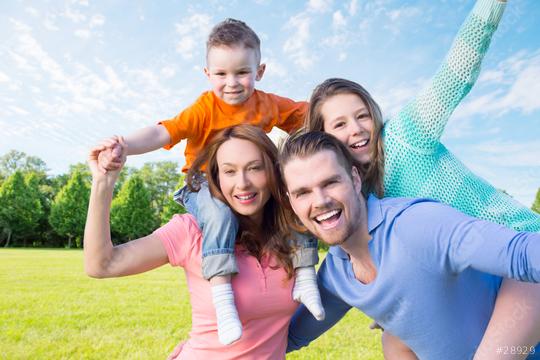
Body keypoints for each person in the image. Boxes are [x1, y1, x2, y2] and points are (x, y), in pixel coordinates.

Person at [304, 0, 540, 357]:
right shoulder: (355, 198)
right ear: (324, 139)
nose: (357, 129)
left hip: (520, 254)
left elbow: (457, 69)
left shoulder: (406, 135)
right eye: (340, 124)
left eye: (362, 115)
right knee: (394, 342)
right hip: (477, 286)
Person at [92, 18, 323, 344]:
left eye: (242, 72)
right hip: (201, 183)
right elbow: (163, 131)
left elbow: (313, 114)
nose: (232, 83)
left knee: (292, 193)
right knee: (218, 214)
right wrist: (125, 145)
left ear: (260, 71)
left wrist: (349, 123)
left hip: (252, 179)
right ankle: (223, 298)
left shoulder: (268, 103)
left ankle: (305, 275)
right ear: (207, 74)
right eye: (221, 74)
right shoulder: (204, 108)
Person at [280, 131, 540, 359]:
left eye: (330, 182)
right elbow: (287, 339)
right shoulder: (336, 275)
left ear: (355, 179)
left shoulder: (414, 225)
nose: (321, 200)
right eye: (303, 192)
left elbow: (522, 253)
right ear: (291, 202)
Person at [85, 125, 306, 359]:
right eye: (229, 171)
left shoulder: (295, 236)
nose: (242, 183)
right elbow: (102, 264)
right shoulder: (190, 231)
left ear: (274, 170)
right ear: (216, 177)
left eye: (254, 168)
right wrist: (103, 182)